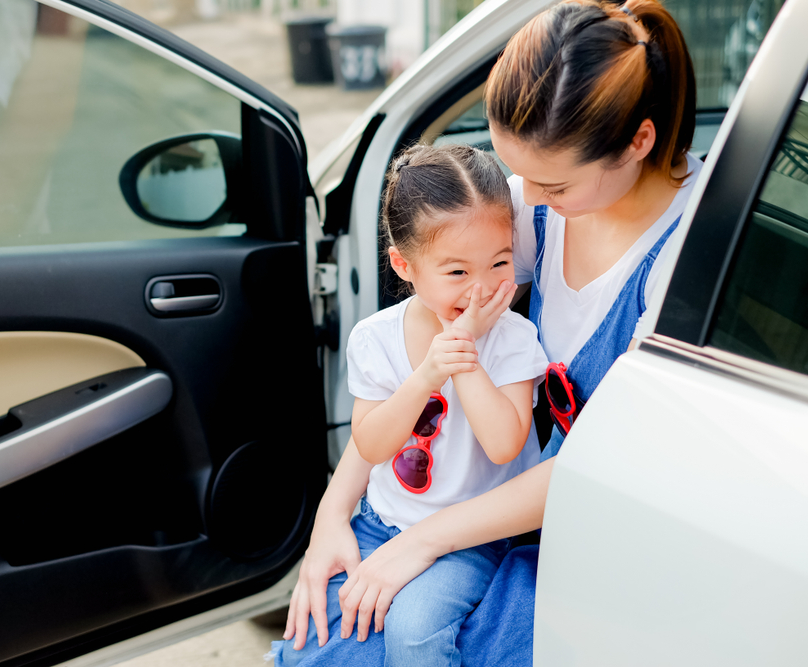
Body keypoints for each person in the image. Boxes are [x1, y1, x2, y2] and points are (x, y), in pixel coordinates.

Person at [278, 0, 701, 665]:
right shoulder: (540, 211)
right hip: (495, 506)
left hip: (591, 520)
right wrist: (334, 513)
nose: (526, 195)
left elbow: (606, 466)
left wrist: (425, 540)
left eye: (550, 183)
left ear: (638, 142)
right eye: (519, 172)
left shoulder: (680, 264)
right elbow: (414, 350)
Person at [268, 143, 549, 666]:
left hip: (471, 538)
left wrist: (463, 360)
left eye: (500, 262)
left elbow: (504, 442)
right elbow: (371, 443)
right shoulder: (376, 338)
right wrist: (428, 373)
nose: (483, 288)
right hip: (382, 522)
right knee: (309, 644)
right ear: (405, 265)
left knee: (415, 632)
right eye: (457, 273)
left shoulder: (512, 338)